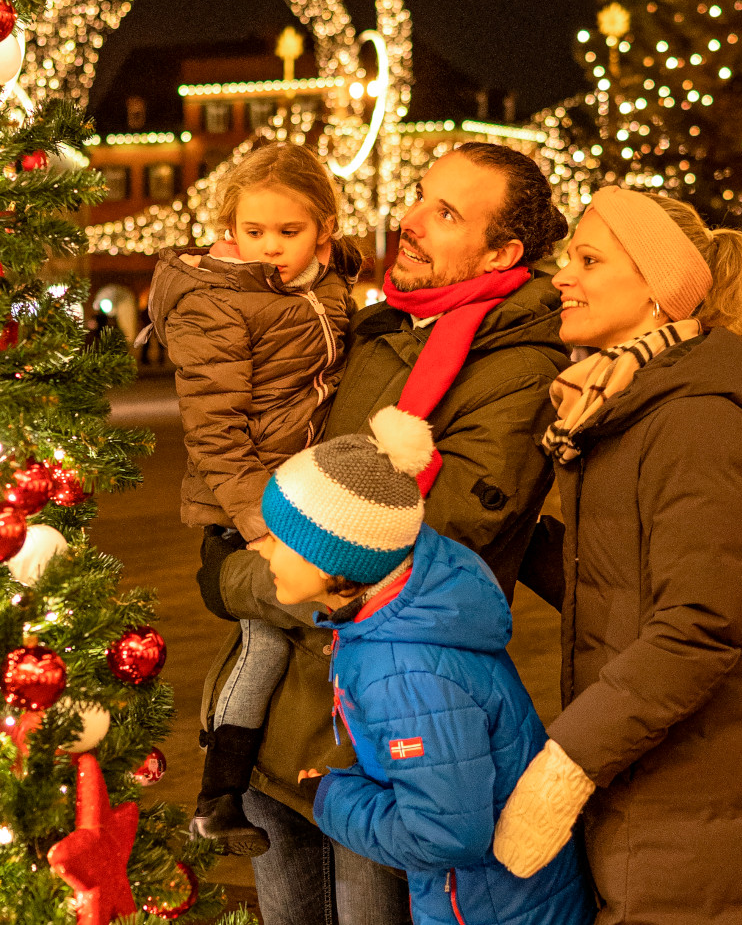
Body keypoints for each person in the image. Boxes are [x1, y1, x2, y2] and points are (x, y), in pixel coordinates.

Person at [201, 141, 572, 924]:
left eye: (446, 213)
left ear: (503, 251)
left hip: (376, 734)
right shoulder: (384, 325)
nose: (410, 222)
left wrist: (236, 578)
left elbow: (409, 548)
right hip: (286, 715)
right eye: (419, 196)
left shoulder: (517, 365)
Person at [492, 186, 742, 924]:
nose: (562, 276)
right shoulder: (622, 408)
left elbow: (696, 628)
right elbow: (621, 582)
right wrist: (502, 530)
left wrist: (563, 769)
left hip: (702, 806)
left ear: (659, 291)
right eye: (568, 256)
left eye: (590, 259)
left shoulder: (696, 421)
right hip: (652, 789)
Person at [253, 404, 595, 925]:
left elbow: (444, 834)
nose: (263, 550)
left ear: (336, 565)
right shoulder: (399, 613)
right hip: (495, 898)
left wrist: (332, 796)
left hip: (486, 908)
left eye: (280, 539)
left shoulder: (406, 674)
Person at [143, 141, 359, 855]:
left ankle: (297, 773)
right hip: (251, 507)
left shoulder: (321, 284)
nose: (268, 249)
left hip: (305, 495)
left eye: (288, 232)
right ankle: (219, 791)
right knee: (268, 639)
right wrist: (261, 529)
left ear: (324, 229)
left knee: (292, 642)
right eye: (252, 232)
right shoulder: (220, 303)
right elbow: (216, 433)